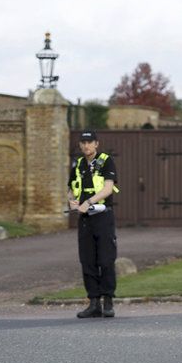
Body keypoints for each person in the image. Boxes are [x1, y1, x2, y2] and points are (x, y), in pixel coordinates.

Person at [68, 130, 119, 319]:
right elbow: (71, 188)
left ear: (96, 144)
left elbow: (107, 188)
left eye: (90, 142)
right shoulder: (78, 164)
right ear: (80, 145)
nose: (86, 145)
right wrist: (72, 201)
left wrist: (88, 202)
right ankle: (94, 302)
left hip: (103, 216)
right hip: (85, 219)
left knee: (106, 259)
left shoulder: (106, 161)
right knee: (87, 260)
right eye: (83, 142)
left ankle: (108, 301)